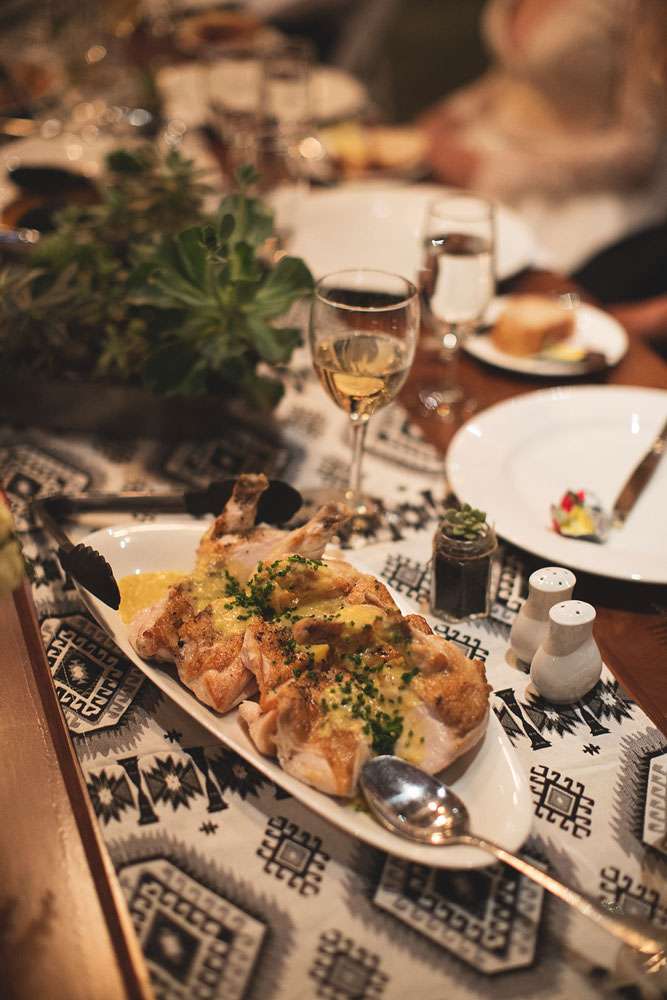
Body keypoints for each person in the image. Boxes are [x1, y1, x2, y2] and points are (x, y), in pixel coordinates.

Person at [422, 0, 666, 202]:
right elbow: (513, 74)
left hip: (573, 180)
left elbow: (639, 153)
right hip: (490, 140)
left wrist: (492, 173)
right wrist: (452, 112)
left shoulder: (640, 7)